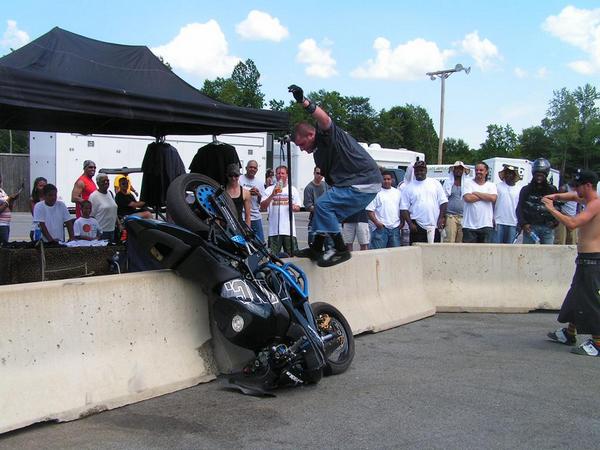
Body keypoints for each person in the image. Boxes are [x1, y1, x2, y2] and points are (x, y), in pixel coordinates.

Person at [289, 84, 382, 266]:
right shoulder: (318, 155)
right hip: (357, 184)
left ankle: (341, 250)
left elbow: (324, 119)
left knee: (323, 205)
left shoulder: (327, 135)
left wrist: (303, 101)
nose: (302, 149)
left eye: (302, 144)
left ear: (311, 134)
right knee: (323, 211)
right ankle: (316, 248)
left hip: (364, 180)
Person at [543, 169, 600, 357]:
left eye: (578, 186)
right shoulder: (587, 200)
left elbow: (573, 223)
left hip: (593, 261)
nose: (576, 190)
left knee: (591, 301)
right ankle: (569, 333)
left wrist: (552, 209)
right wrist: (555, 196)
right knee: (575, 297)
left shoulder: (595, 205)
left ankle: (598, 343)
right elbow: (573, 196)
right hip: (585, 260)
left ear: (588, 186)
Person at [400, 161, 448, 244]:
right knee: (417, 250)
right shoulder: (408, 188)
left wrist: (441, 218)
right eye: (417, 171)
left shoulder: (435, 183)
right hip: (416, 226)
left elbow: (443, 202)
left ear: (426, 170)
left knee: (434, 250)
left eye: (421, 170)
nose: (419, 172)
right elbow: (403, 208)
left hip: (434, 225)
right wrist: (410, 224)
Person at [260, 165, 301, 256]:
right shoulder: (269, 189)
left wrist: (294, 207)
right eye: (278, 173)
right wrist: (273, 194)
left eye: (283, 173)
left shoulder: (293, 190)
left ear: (287, 175)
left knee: (293, 256)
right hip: (274, 231)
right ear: (275, 175)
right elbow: (262, 207)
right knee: (272, 257)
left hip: (289, 231)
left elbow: (298, 208)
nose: (280, 175)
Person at [516, 158, 558, 244]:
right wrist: (524, 223)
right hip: (530, 227)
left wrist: (555, 222)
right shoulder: (526, 189)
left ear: (546, 175)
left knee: (548, 251)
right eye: (537, 175)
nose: (539, 178)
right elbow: (519, 208)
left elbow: (557, 207)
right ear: (533, 174)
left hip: (547, 227)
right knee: (528, 251)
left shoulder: (552, 190)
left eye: (541, 175)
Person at [462, 162, 497, 243]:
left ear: (486, 171)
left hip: (486, 225)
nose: (478, 172)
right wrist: (486, 196)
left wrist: (476, 193)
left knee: (485, 251)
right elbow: (468, 198)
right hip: (469, 226)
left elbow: (493, 198)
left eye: (481, 170)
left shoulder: (491, 185)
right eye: (476, 170)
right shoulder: (467, 183)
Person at [367, 170, 402, 248]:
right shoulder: (376, 193)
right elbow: (369, 210)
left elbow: (402, 209)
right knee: (378, 253)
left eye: (388, 179)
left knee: (395, 253)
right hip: (381, 229)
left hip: (395, 228)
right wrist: (377, 223)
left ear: (392, 180)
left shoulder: (398, 193)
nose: (386, 181)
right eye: (384, 179)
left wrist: (401, 223)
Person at [494, 165, 522, 243]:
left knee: (510, 248)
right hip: (498, 221)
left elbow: (521, 206)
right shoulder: (497, 186)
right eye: (506, 173)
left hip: (513, 222)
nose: (508, 175)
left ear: (514, 175)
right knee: (496, 247)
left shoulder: (520, 189)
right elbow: (492, 203)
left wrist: (520, 222)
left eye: (511, 173)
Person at [443, 161, 470, 243]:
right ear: (453, 170)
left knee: (460, 242)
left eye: (461, 169)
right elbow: (443, 199)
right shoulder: (448, 183)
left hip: (463, 217)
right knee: (449, 240)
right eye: (457, 169)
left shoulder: (467, 184)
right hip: (450, 216)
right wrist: (443, 216)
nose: (459, 171)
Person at [239, 160, 266, 240]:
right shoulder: (239, 179)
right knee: (243, 241)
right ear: (246, 168)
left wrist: (258, 194)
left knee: (260, 242)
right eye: (250, 167)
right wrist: (247, 193)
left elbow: (262, 203)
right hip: (242, 216)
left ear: (257, 170)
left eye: (255, 168)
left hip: (255, 216)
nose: (252, 169)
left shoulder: (260, 183)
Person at [303, 166, 329, 245]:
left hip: (327, 221)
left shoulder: (326, 185)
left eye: (322, 174)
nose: (320, 175)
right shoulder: (309, 188)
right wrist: (323, 209)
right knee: (314, 246)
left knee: (329, 247)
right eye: (317, 173)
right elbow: (308, 206)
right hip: (315, 221)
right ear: (314, 173)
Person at [89, 173, 119, 242]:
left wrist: (119, 224)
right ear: (98, 183)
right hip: (101, 232)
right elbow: (91, 216)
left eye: (107, 180)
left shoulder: (110, 193)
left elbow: (114, 211)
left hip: (112, 230)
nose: (106, 182)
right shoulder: (94, 196)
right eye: (103, 181)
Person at [554, 181, 579, 245]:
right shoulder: (564, 188)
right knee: (561, 240)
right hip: (563, 215)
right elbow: (557, 202)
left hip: (573, 217)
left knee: (572, 241)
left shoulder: (579, 189)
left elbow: (578, 204)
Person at [0, 173, 21, 244]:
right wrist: (8, 200)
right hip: (1, 224)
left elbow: (9, 209)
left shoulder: (2, 191)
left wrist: (12, 200)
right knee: (3, 246)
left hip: (6, 224)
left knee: (5, 245)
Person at [29, 176, 48, 241]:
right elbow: (35, 214)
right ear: (36, 186)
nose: (43, 188)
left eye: (44, 186)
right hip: (37, 226)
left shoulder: (49, 197)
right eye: (40, 186)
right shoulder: (33, 198)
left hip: (49, 225)